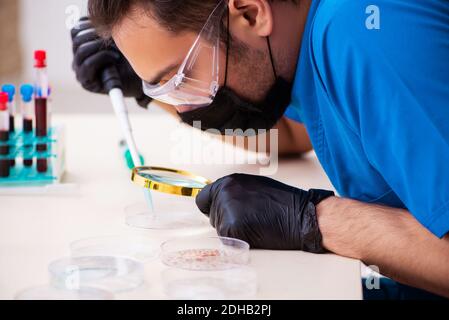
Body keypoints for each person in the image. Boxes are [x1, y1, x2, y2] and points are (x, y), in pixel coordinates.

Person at [72, 0, 449, 299]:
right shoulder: (300, 48)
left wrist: (314, 219)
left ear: (251, 13)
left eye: (181, 78)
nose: (184, 108)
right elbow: (290, 135)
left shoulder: (361, 32)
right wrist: (151, 92)